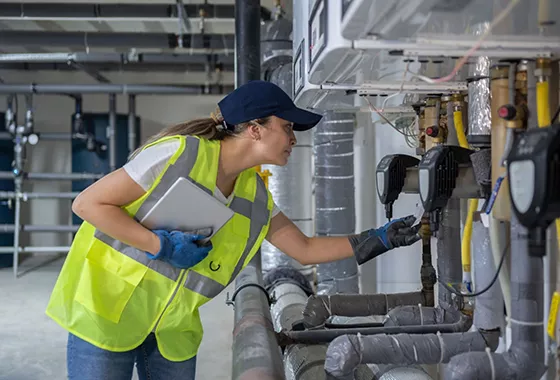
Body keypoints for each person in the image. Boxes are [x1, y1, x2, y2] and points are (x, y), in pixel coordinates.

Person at [46, 80, 421, 380]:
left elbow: (304, 249)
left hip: (173, 330)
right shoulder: (179, 154)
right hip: (107, 309)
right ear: (255, 129)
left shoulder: (254, 194)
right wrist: (159, 244)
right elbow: (87, 204)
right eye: (287, 127)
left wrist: (378, 238)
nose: (294, 138)